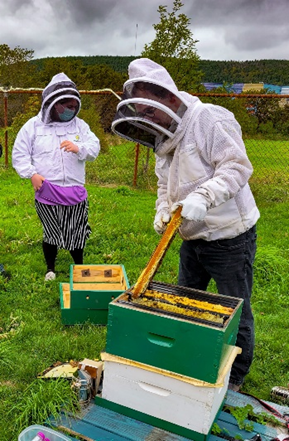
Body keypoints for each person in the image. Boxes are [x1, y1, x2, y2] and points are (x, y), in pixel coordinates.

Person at [111, 58, 260, 391]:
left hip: (229, 237)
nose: (146, 120)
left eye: (149, 111)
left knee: (234, 308)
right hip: (190, 237)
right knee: (184, 301)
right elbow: (165, 182)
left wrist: (205, 196)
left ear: (168, 97)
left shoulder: (207, 118)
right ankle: (189, 356)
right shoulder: (164, 135)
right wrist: (162, 210)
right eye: (141, 113)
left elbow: (237, 167)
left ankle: (235, 377)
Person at [12, 73, 100, 281]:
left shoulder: (80, 126)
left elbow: (94, 148)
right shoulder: (33, 126)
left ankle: (79, 268)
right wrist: (31, 174)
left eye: (72, 105)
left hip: (75, 191)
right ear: (52, 104)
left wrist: (79, 148)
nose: (69, 109)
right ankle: (50, 269)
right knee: (51, 231)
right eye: (64, 105)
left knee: (76, 231)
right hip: (46, 189)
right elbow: (20, 153)